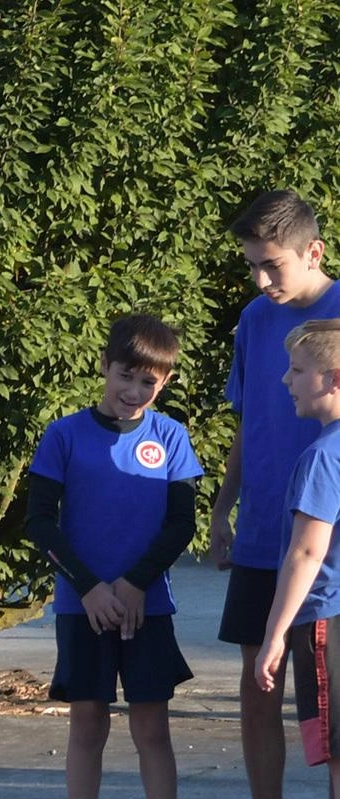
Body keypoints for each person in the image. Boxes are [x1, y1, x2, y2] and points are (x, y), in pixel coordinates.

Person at [26, 314, 202, 799]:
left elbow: (181, 523)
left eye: (149, 381)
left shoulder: (171, 437)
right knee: (87, 725)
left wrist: (133, 583)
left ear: (164, 382)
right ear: (104, 366)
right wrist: (89, 587)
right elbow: (39, 522)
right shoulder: (63, 435)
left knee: (152, 729)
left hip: (148, 605)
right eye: (125, 375)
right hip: (81, 605)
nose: (134, 389)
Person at [210, 189, 340, 799]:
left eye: (273, 265)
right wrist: (221, 506)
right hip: (266, 534)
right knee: (257, 684)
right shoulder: (255, 321)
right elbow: (250, 419)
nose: (261, 279)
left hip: (327, 547)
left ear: (312, 251)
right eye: (251, 265)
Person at [256, 319, 340, 796]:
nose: (287, 380)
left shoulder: (325, 456)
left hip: (329, 620)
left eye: (297, 369)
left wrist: (274, 635)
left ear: (334, 377)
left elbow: (307, 551)